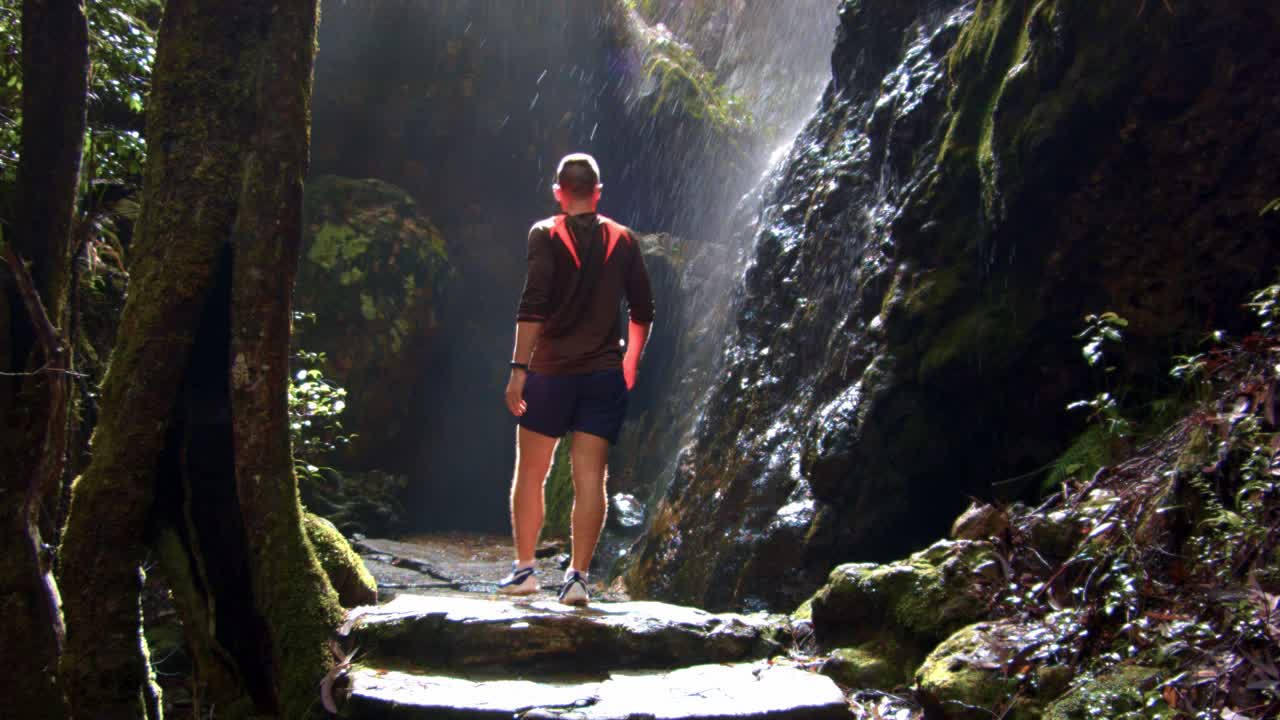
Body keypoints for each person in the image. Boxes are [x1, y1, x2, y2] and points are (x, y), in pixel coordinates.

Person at [498, 153, 655, 606]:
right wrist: (631, 362)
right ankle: (579, 578)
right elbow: (643, 311)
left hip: (548, 375)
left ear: (558, 193)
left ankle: (525, 570)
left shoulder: (545, 234)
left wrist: (517, 371)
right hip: (603, 376)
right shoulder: (624, 240)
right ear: (599, 192)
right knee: (591, 479)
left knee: (531, 473)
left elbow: (533, 304)